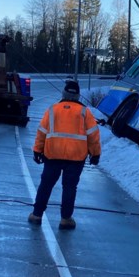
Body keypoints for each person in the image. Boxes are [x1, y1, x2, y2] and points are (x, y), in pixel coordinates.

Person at [28, 79, 101, 230]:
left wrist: (37, 150)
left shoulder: (53, 109)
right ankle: (65, 219)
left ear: (64, 93)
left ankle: (37, 215)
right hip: (76, 157)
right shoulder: (84, 112)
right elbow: (93, 135)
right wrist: (95, 154)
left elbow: (42, 131)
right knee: (69, 187)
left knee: (46, 185)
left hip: (52, 154)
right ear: (78, 96)